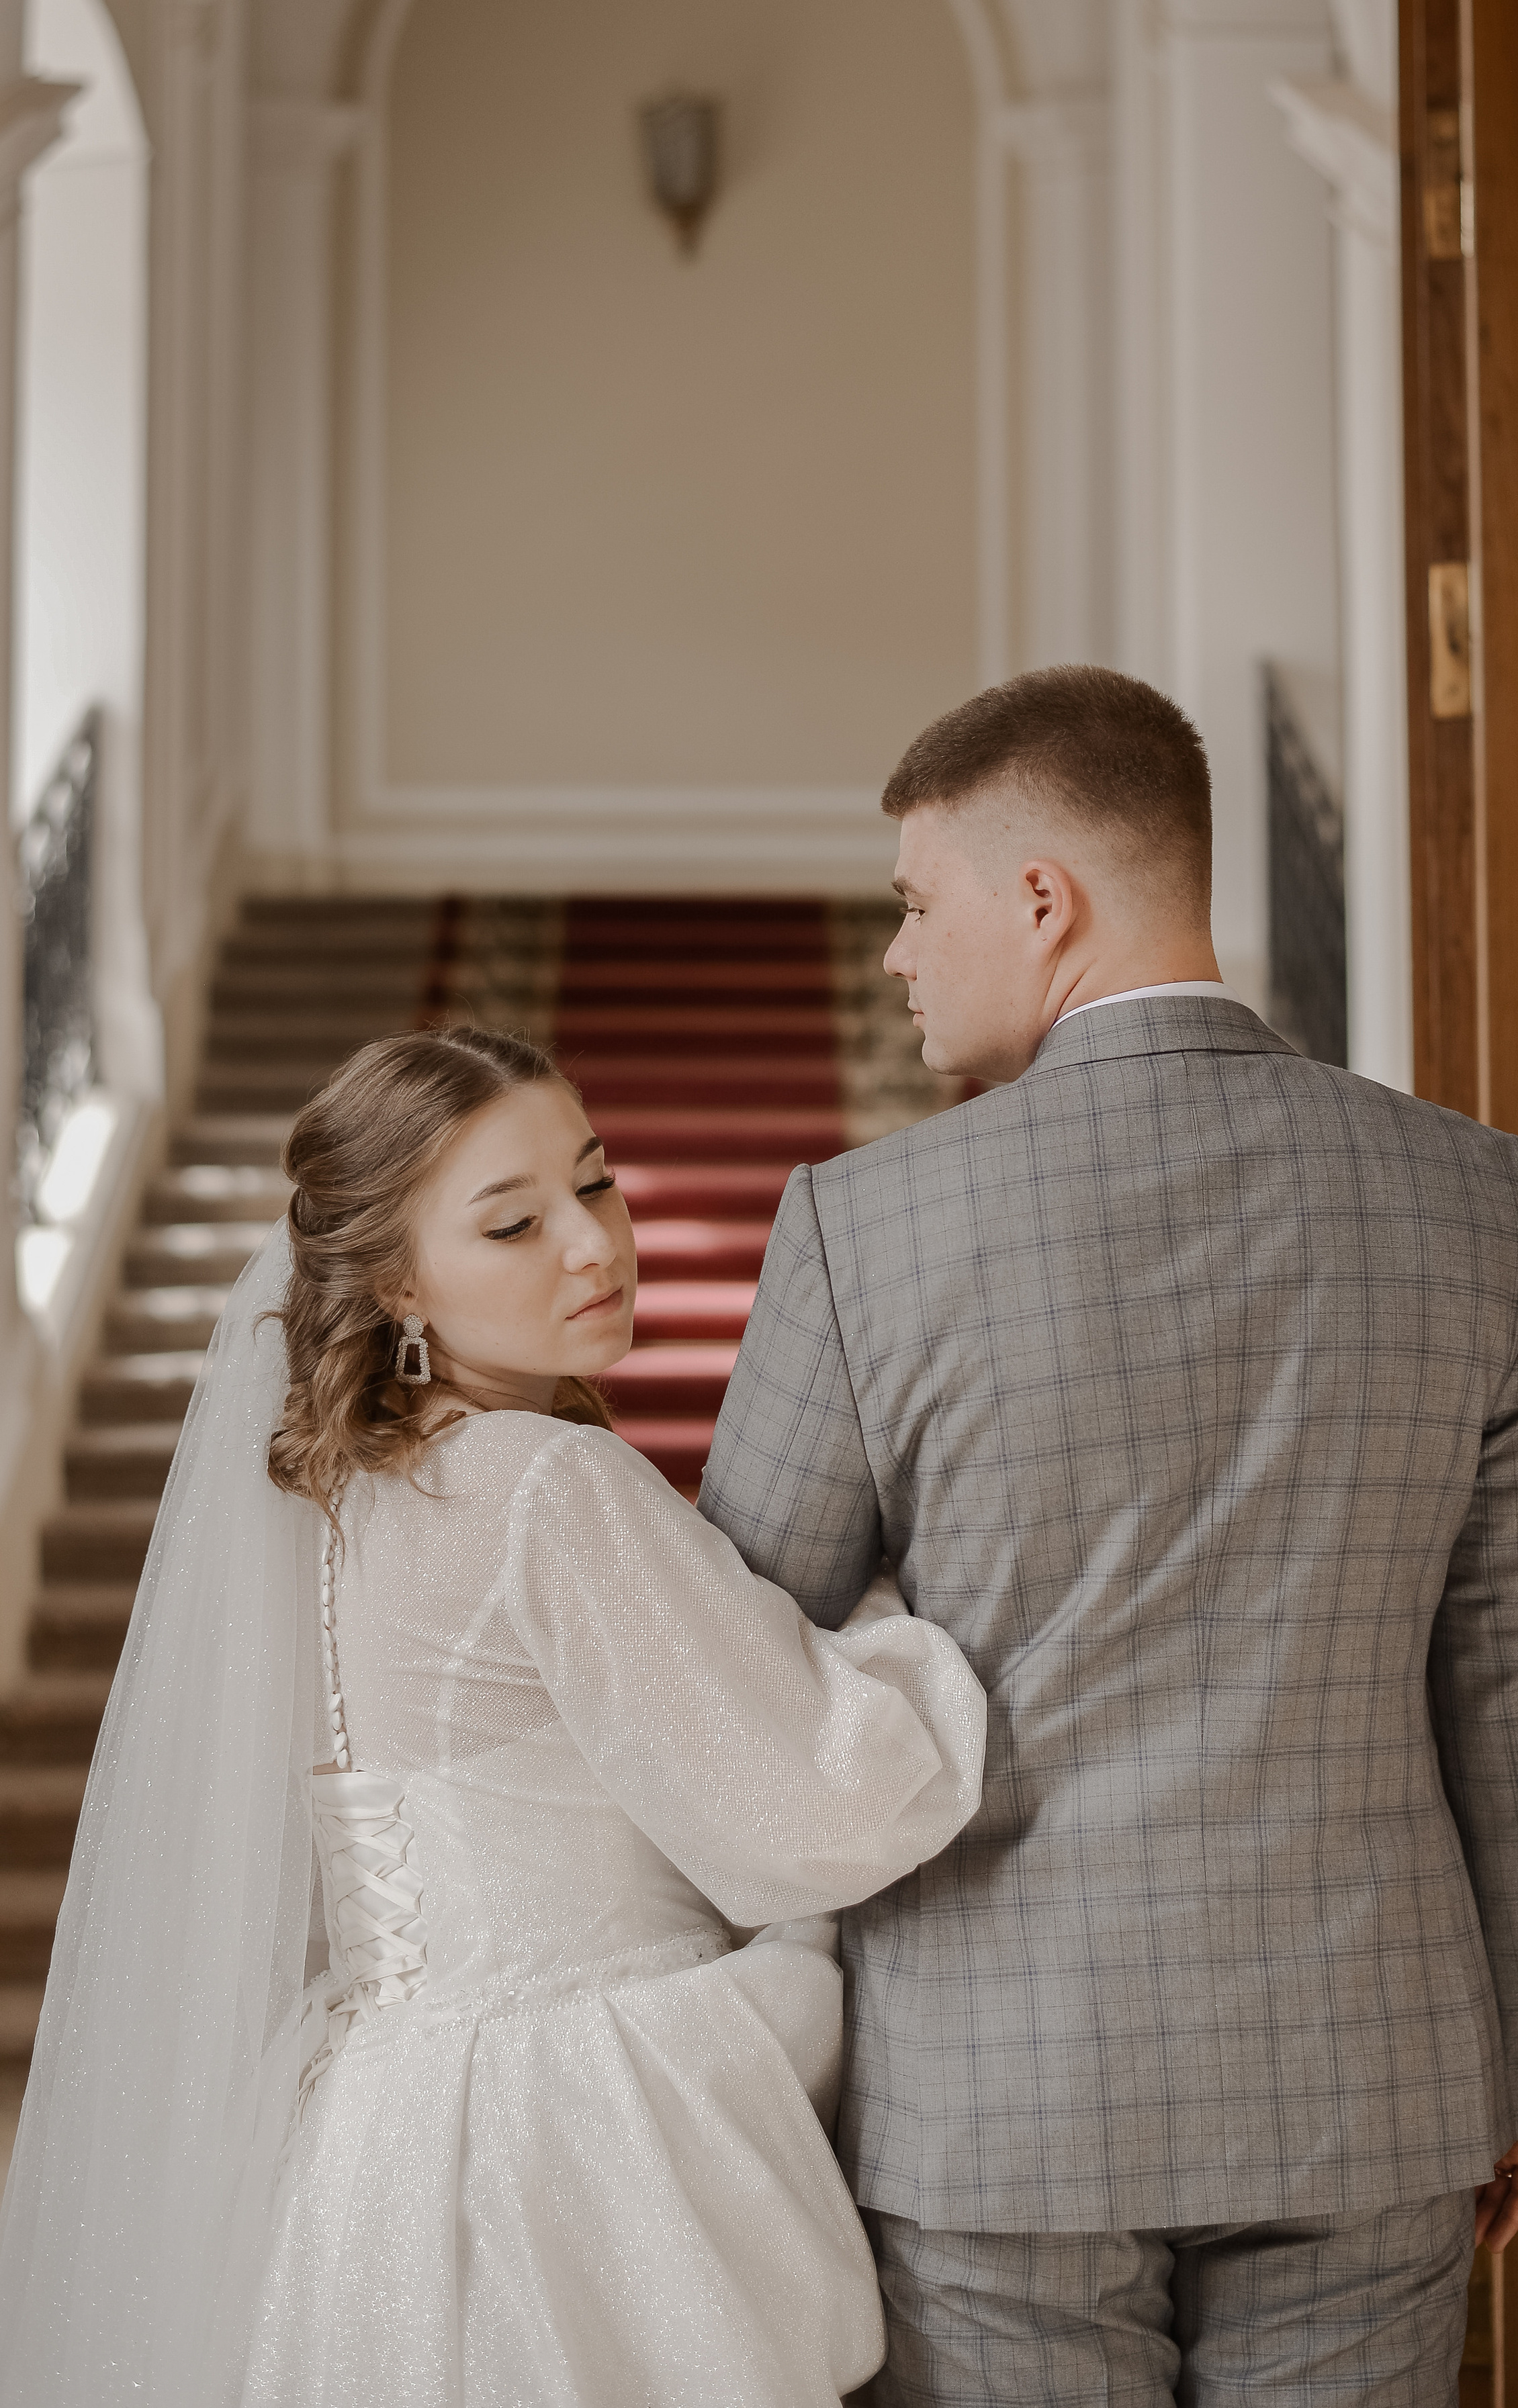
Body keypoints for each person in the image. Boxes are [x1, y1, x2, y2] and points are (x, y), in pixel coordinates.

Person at [701, 663, 1518, 2406]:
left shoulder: (862, 1227)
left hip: (993, 2098)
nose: (895, 955)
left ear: (1044, 901)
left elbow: (735, 1674)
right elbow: (1517, 1674)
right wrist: (1512, 2067)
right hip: (1376, 2071)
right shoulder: (1474, 1193)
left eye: (912, 902)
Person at [0, 1026, 986, 2408]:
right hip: (571, 2155)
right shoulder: (541, 1486)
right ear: (399, 1279)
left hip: (373, 2155)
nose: (591, 1245)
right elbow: (822, 1806)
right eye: (514, 1224)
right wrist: (902, 1618)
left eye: (593, 1183)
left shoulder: (332, 1507)